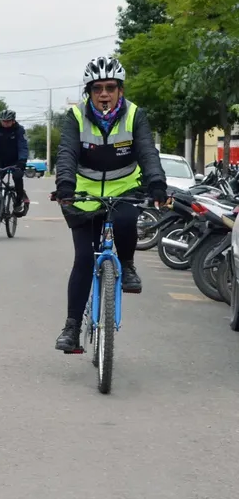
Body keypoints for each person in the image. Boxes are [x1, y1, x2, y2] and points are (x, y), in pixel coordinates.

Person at [53, 56, 167, 352]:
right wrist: (65, 185)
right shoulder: (76, 116)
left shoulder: (135, 115)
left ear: (120, 90)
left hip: (124, 187)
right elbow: (67, 153)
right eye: (97, 88)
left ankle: (127, 265)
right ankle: (72, 328)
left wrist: (157, 182)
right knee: (83, 259)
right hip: (85, 194)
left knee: (126, 220)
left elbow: (147, 151)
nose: (104, 94)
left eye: (110, 87)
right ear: (89, 92)